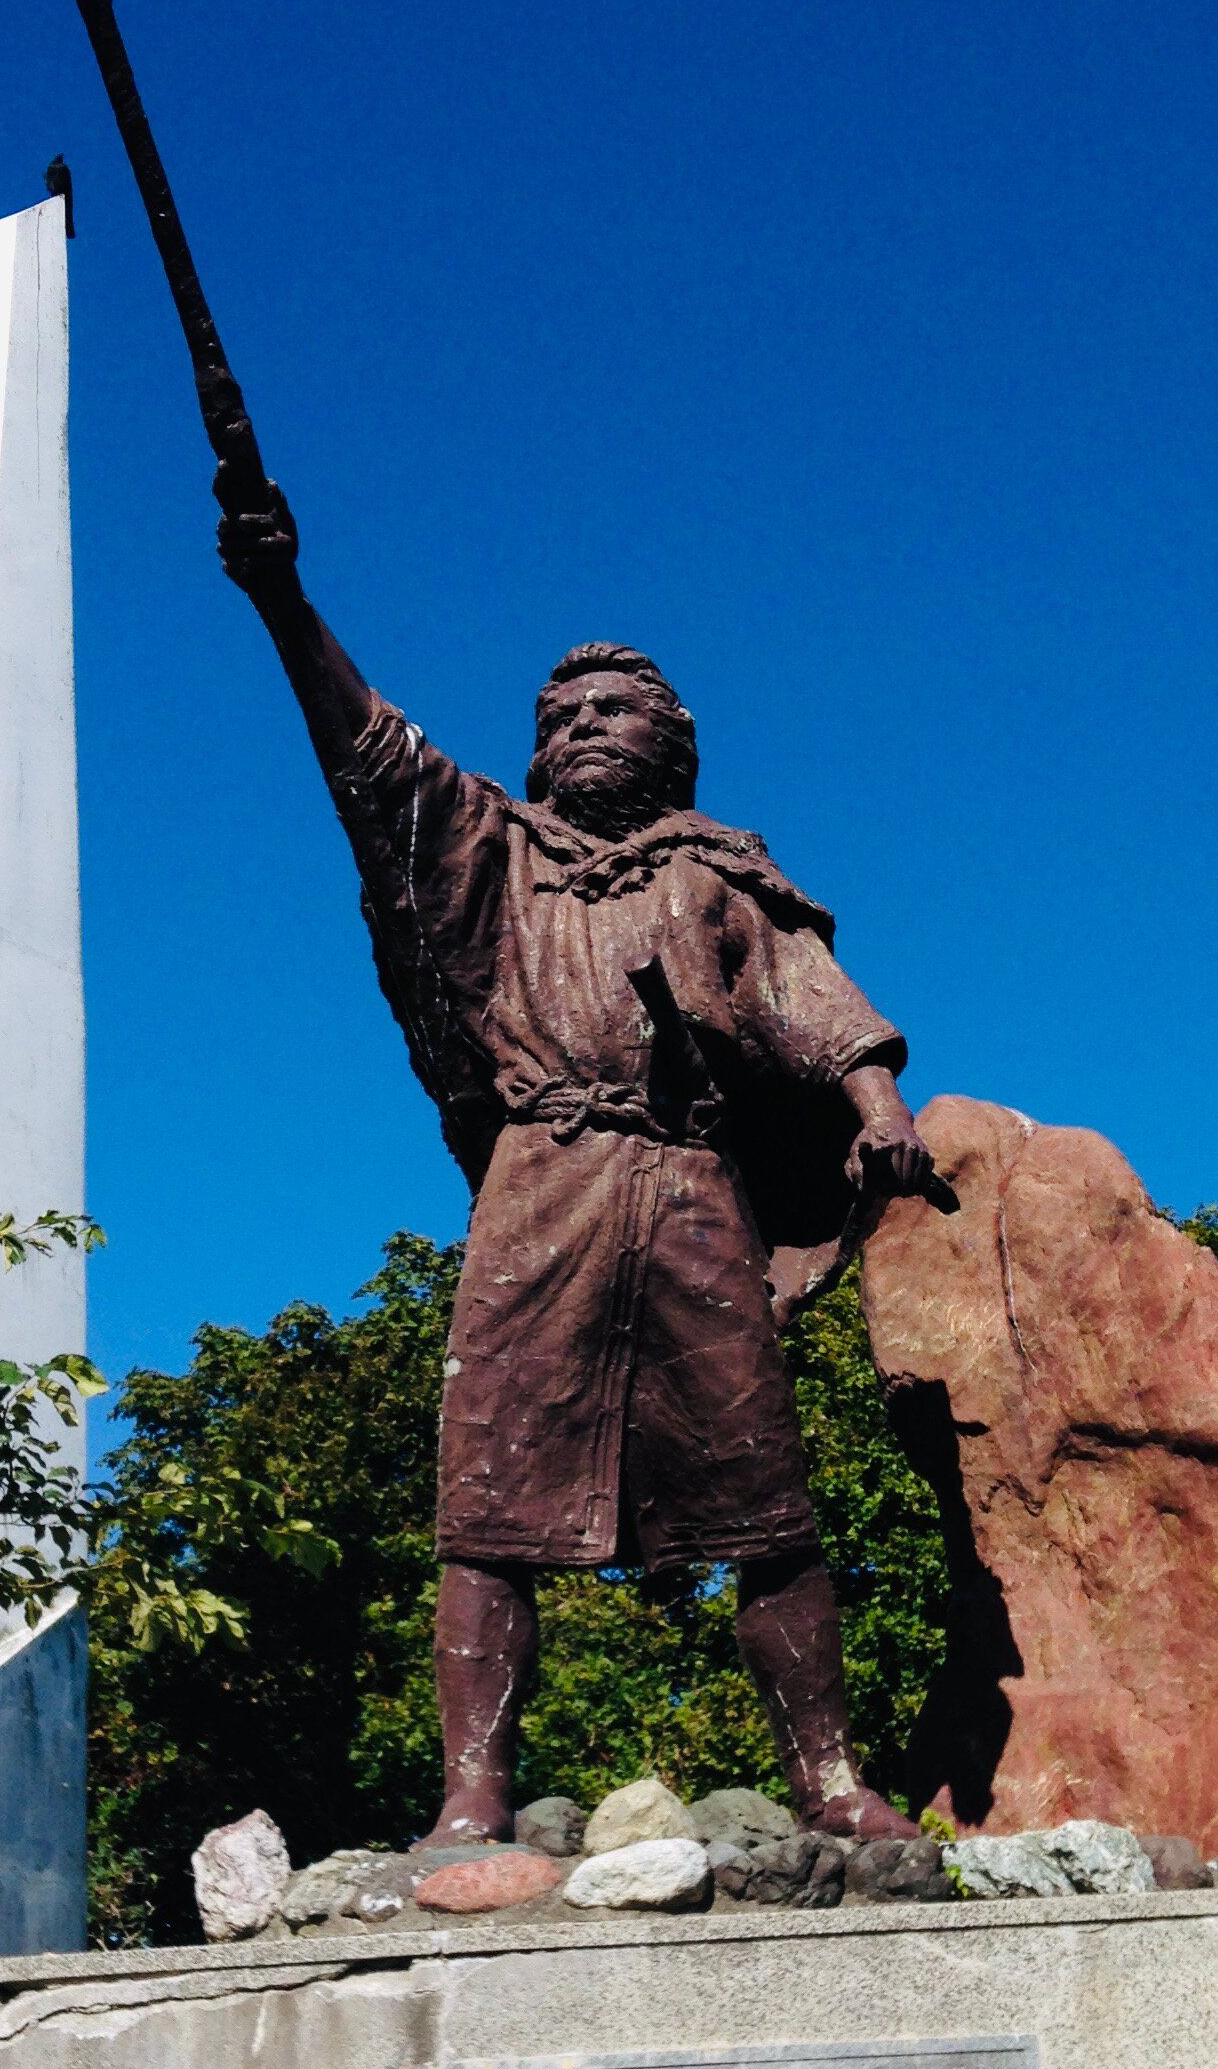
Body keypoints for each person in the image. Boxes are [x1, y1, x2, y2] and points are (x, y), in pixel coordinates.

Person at [217, 456, 938, 1845]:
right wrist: (281, 595)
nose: (584, 729)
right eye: (563, 716)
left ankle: (832, 1782)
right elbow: (369, 755)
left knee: (765, 1496)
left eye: (614, 711)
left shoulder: (717, 870)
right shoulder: (494, 849)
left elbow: (806, 1000)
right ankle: (473, 1802)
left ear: (668, 740)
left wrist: (877, 1108)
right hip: (540, 1186)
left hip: (689, 1184)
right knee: (488, 1504)